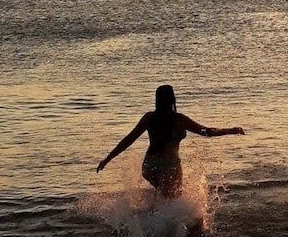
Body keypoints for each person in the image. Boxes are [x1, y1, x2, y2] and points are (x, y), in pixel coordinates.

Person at [96, 85, 244, 198]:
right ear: (172, 99)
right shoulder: (178, 120)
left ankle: (144, 223)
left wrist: (107, 159)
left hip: (149, 167)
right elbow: (207, 132)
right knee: (172, 201)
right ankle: (158, 231)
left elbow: (128, 139)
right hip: (169, 167)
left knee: (163, 197)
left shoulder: (149, 118)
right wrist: (230, 130)